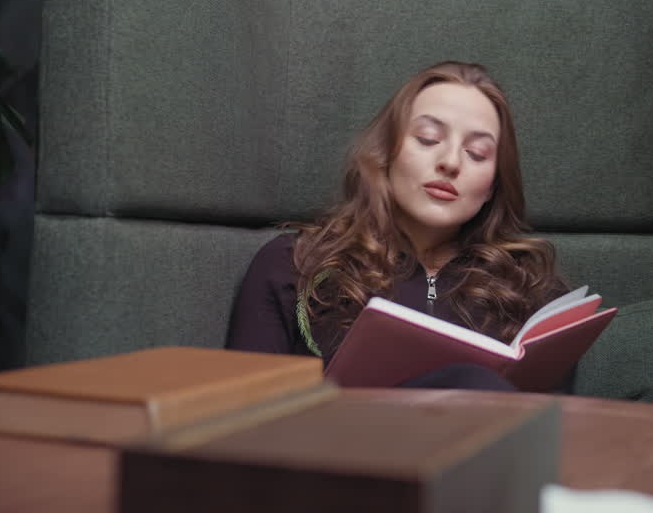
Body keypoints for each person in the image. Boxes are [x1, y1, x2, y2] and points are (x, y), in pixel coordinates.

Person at [227, 61, 573, 391]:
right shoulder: (296, 264)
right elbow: (241, 419)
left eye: (477, 153)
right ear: (386, 153)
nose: (450, 162)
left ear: (493, 186)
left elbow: (559, 434)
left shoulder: (533, 292)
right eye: (427, 138)